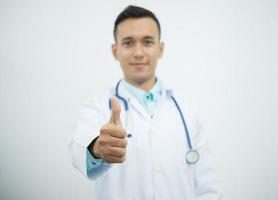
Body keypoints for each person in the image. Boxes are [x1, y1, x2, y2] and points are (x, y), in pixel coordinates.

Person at [68, 5, 222, 200]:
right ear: (115, 51)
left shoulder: (188, 108)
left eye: (147, 42)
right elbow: (78, 147)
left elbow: (208, 185)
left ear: (160, 48)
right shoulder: (97, 106)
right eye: (128, 43)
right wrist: (98, 149)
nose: (138, 52)